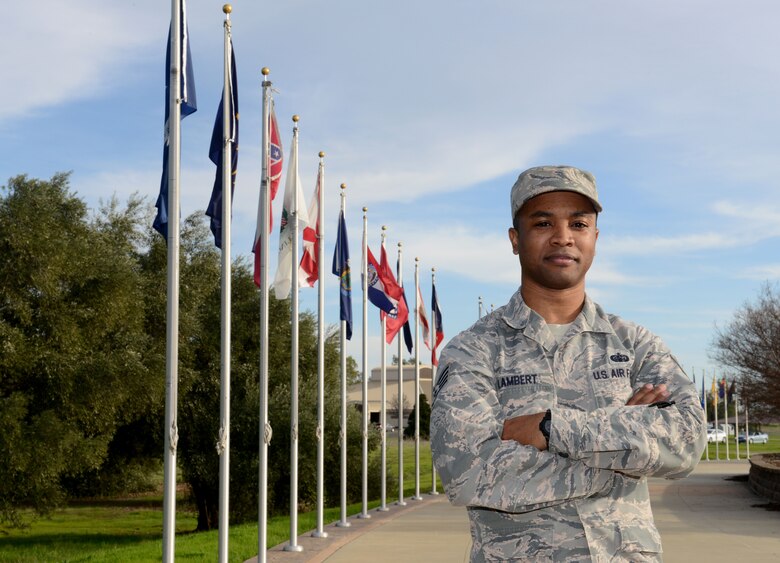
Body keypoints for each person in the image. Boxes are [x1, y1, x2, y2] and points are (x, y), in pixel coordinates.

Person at [430, 165, 707, 562]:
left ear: (595, 237)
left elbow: (686, 443)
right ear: (515, 239)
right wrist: (620, 455)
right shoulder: (473, 351)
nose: (563, 237)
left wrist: (551, 428)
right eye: (543, 222)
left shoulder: (635, 345)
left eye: (578, 223)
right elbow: (466, 472)